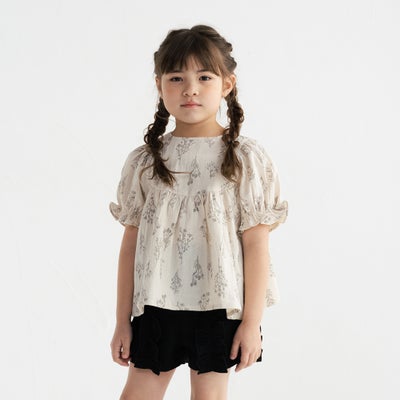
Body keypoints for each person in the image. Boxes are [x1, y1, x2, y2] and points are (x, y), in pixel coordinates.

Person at [109, 24, 288, 400]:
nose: (190, 89)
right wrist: (122, 321)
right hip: (155, 302)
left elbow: (256, 245)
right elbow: (130, 246)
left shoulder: (244, 158)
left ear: (227, 85)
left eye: (204, 77)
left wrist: (251, 323)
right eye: (176, 78)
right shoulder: (145, 161)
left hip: (218, 305)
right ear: (159, 85)